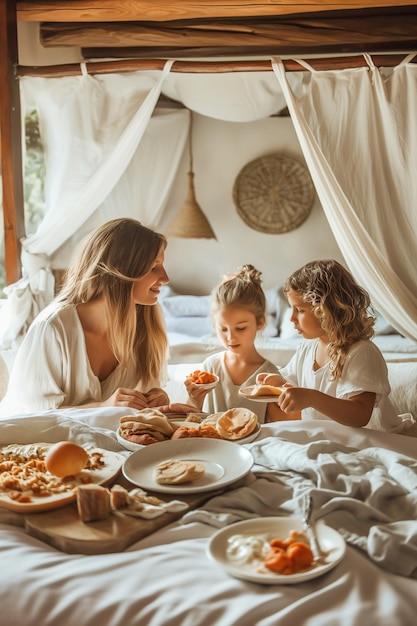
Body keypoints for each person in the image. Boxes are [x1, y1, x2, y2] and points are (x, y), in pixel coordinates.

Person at [0, 218, 173, 415]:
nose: (166, 278)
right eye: (154, 267)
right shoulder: (52, 328)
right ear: (121, 270)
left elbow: (141, 399)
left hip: (111, 442)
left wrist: (156, 397)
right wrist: (102, 408)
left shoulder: (148, 322)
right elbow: (34, 418)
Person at [257, 259, 404, 431]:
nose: (291, 319)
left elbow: (360, 415)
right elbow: (291, 378)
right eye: (292, 309)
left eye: (300, 310)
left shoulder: (361, 352)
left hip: (370, 439)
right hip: (326, 436)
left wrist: (312, 398)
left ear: (327, 309)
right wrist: (277, 381)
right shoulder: (306, 348)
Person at [185, 264, 279, 423]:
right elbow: (195, 420)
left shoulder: (270, 375)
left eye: (240, 328)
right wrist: (194, 400)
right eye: (223, 329)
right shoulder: (210, 367)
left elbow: (276, 428)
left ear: (260, 323)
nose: (230, 337)